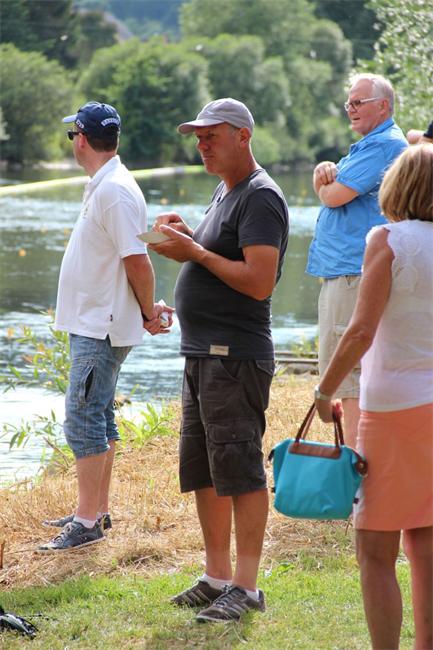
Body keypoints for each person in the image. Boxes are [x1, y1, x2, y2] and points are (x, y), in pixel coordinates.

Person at [149, 98, 289, 623]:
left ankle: (247, 588)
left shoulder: (261, 196)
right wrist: (190, 238)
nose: (201, 145)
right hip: (202, 354)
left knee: (240, 469)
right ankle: (216, 577)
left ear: (243, 136)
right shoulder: (226, 190)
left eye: (211, 135)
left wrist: (196, 253)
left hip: (234, 356)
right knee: (205, 470)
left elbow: (258, 282)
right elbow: (221, 258)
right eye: (197, 137)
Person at [38, 101, 173, 552]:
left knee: (83, 419)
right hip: (97, 321)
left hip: (100, 325)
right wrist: (146, 309)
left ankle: (86, 522)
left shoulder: (113, 190)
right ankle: (96, 509)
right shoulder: (107, 185)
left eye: (72, 135)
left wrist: (148, 312)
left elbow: (138, 262)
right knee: (99, 416)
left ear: (81, 139)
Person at [314, 144, 433, 650]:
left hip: (394, 409)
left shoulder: (388, 239)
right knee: (426, 545)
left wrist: (324, 389)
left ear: (397, 187)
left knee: (375, 550)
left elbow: (361, 329)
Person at [306, 73, 407, 447]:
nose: (350, 108)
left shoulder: (382, 145)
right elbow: (331, 186)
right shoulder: (370, 145)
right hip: (346, 272)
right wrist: (322, 174)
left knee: (349, 376)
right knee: (349, 376)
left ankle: (355, 466)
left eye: (358, 102)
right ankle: (360, 460)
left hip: (352, 273)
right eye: (348, 102)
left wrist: (322, 183)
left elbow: (335, 195)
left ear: (383, 106)